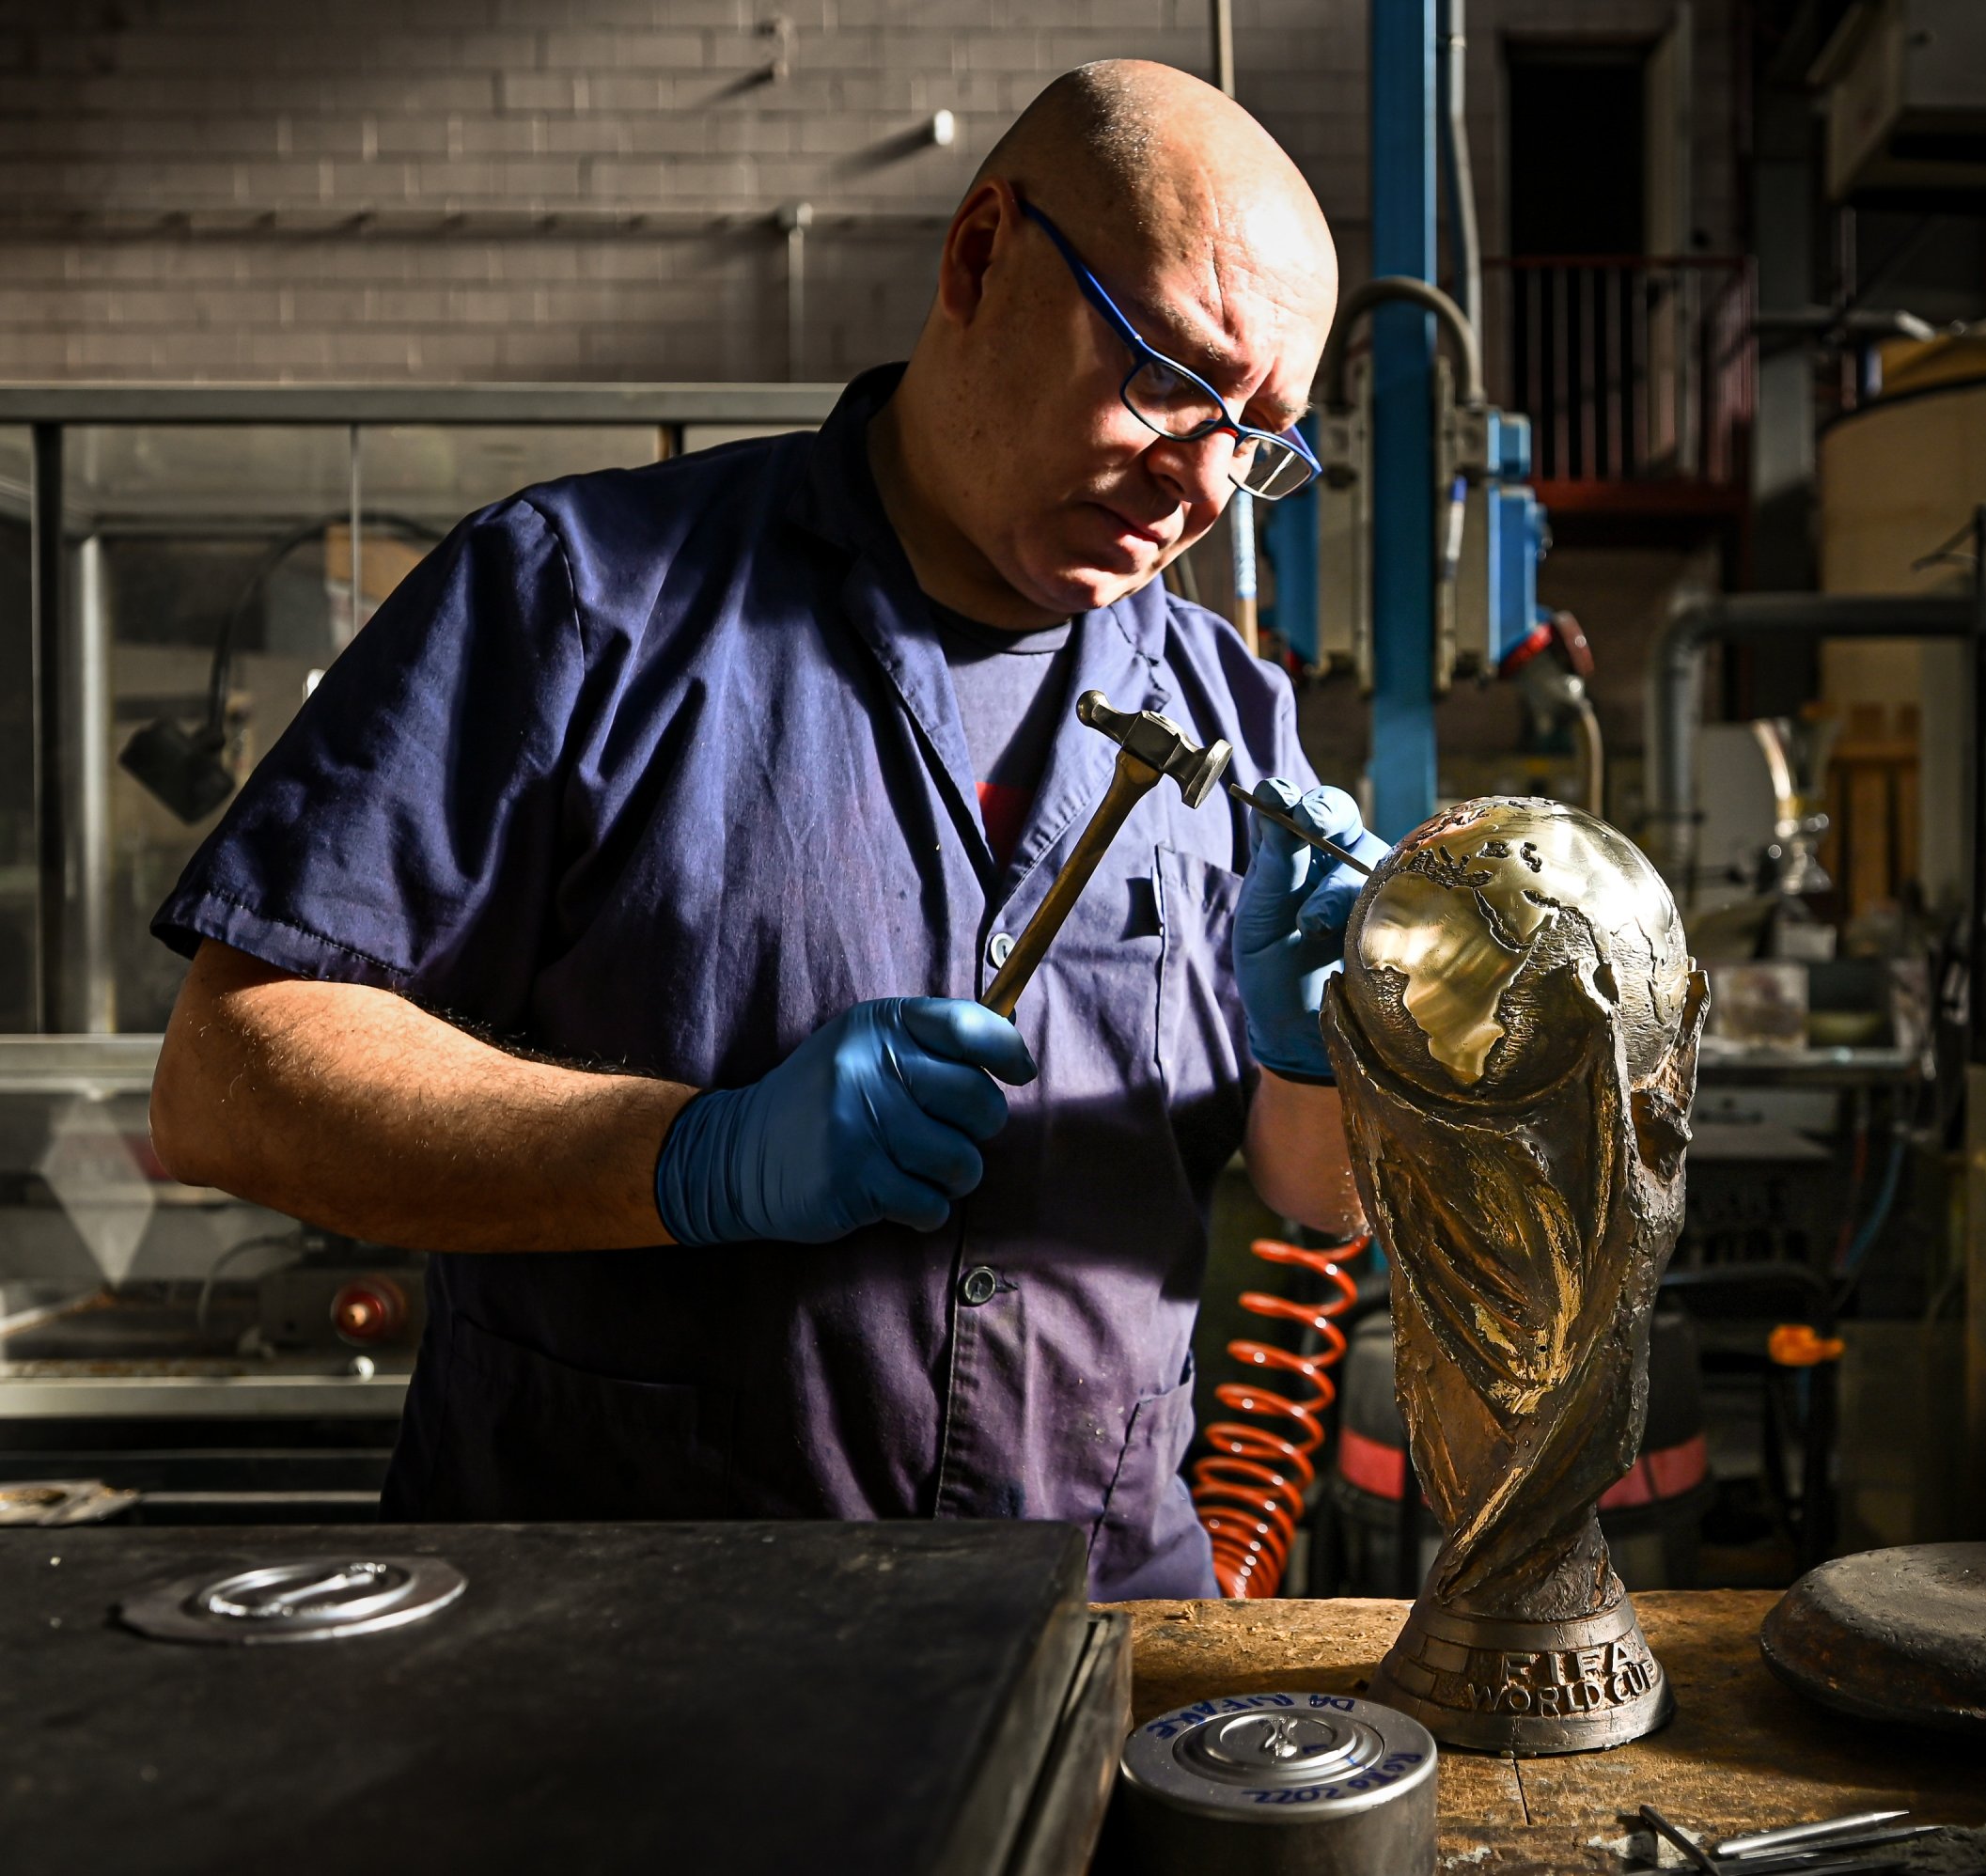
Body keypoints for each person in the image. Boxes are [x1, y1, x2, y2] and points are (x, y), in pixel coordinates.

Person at [144, 61, 1383, 1601]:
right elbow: (227, 1083)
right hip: (622, 1637)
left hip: (1092, 1621)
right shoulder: (578, 598)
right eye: (1166, 380)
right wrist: (694, 1157)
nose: (1203, 484)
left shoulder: (1226, 708)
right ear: (980, 255)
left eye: (1258, 437)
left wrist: (1326, 1055)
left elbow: (1319, 1193)